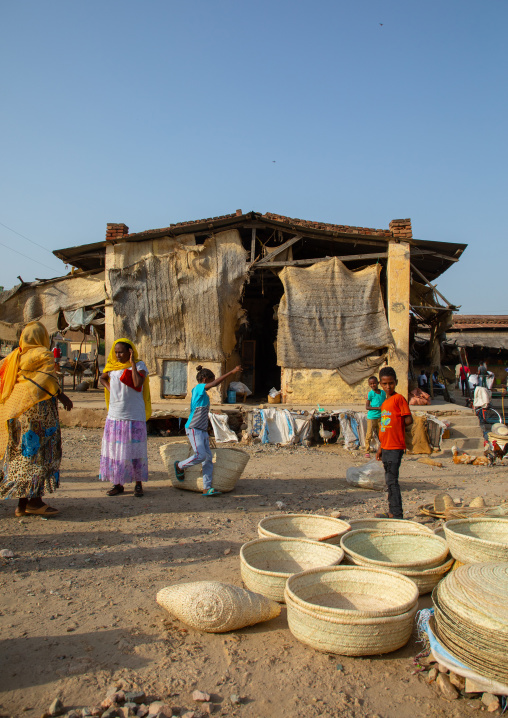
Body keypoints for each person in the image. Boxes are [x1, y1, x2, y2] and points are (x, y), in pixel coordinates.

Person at [0, 321, 73, 517]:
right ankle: (35, 502)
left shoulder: (16, 356)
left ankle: (22, 505)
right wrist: (61, 395)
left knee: (22, 456)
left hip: (17, 413)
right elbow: (46, 379)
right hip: (38, 416)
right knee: (40, 455)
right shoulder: (43, 354)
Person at [174, 364, 242, 496]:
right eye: (212, 380)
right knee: (201, 455)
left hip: (202, 430)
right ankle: (179, 466)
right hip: (194, 428)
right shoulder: (198, 388)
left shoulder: (204, 395)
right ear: (205, 379)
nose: (214, 383)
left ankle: (207, 487)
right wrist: (231, 372)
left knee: (208, 459)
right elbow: (214, 384)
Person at [99, 339, 151, 497]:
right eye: (116, 352)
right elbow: (102, 378)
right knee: (116, 450)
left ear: (130, 351)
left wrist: (132, 363)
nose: (117, 355)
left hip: (134, 415)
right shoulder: (112, 368)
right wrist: (111, 389)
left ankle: (138, 484)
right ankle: (118, 483)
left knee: (135, 450)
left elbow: (137, 382)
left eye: (121, 352)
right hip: (115, 415)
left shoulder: (140, 365)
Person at [375, 366, 413, 519]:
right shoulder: (385, 403)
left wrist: (398, 426)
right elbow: (384, 428)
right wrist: (380, 448)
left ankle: (396, 513)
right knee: (389, 481)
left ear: (396, 382)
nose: (388, 386)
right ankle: (393, 511)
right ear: (380, 384)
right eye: (385, 384)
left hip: (395, 447)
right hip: (386, 447)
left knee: (392, 481)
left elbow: (408, 419)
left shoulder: (399, 399)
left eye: (391, 383)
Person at [364, 375, 386, 458]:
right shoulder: (370, 394)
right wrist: (377, 408)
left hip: (381, 416)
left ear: (378, 383)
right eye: (371, 384)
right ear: (369, 385)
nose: (373, 385)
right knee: (369, 434)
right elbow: (367, 407)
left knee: (382, 433)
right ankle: (367, 450)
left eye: (374, 383)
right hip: (372, 417)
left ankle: (383, 449)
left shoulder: (383, 393)